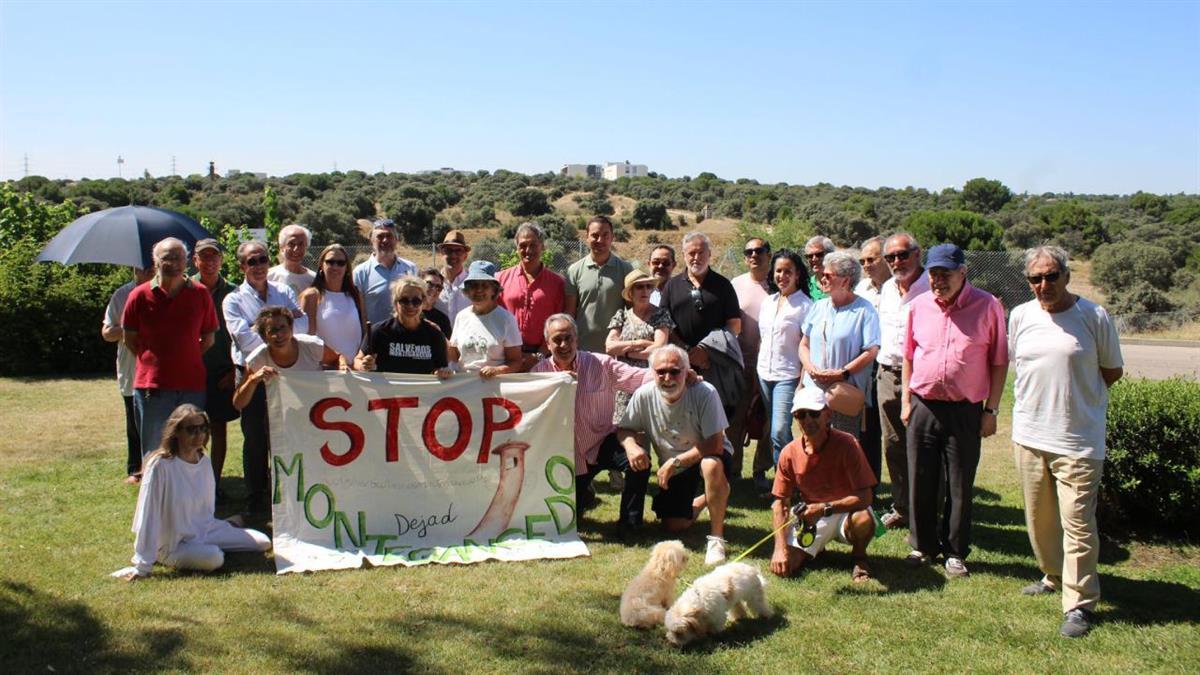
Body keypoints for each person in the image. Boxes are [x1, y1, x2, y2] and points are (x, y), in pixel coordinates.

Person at [1009, 245, 1124, 638]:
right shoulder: (1020, 316)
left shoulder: (1093, 316)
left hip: (1077, 439)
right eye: (1035, 279)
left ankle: (1079, 604)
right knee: (1040, 520)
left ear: (1066, 276)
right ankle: (1053, 576)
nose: (1044, 285)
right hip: (1029, 435)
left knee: (1077, 522)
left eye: (1051, 276)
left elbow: (1111, 371)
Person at [902, 243, 1008, 577]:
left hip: (965, 409)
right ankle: (922, 546)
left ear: (963, 273)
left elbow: (999, 361)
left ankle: (955, 551)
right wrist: (906, 401)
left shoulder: (988, 306)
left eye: (945, 274)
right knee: (920, 478)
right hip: (923, 404)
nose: (938, 281)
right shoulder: (918, 306)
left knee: (960, 483)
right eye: (933, 274)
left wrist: (991, 410)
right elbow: (908, 355)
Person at [531, 314, 655, 539]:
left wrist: (678, 372)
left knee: (640, 462)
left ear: (577, 339)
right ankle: (585, 495)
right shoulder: (538, 374)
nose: (564, 345)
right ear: (547, 344)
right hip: (565, 455)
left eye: (568, 338)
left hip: (601, 441)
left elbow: (640, 378)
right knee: (567, 521)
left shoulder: (601, 363)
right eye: (557, 340)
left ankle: (630, 524)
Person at [113, 404, 271, 580]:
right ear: (177, 432)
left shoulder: (203, 461)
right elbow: (149, 514)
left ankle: (223, 528)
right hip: (171, 543)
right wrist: (143, 565)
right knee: (214, 558)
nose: (199, 435)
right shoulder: (160, 465)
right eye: (191, 430)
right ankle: (162, 556)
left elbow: (204, 510)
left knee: (263, 542)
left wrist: (216, 528)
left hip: (205, 531)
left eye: (203, 428)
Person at [618, 345, 733, 566]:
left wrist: (676, 460)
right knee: (674, 526)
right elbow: (625, 429)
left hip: (710, 456)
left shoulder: (705, 392)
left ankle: (716, 538)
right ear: (652, 372)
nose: (668, 377)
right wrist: (632, 446)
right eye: (661, 372)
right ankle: (711, 497)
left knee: (710, 465)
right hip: (675, 468)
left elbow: (715, 444)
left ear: (687, 370)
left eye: (675, 371)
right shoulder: (644, 395)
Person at [222, 239, 303, 513]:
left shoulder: (283, 291)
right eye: (252, 261)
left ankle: (289, 493)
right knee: (255, 435)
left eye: (263, 259)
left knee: (287, 432)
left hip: (287, 370)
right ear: (242, 266)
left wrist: (276, 339)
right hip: (251, 371)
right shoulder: (233, 300)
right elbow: (242, 335)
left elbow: (301, 322)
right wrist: (277, 338)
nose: (258, 266)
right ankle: (257, 496)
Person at [121, 237, 217, 461]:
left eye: (179, 257)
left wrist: (187, 355)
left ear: (187, 261)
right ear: (156, 262)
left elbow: (209, 338)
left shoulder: (201, 294)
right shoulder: (139, 295)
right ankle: (155, 493)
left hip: (192, 384)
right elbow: (130, 339)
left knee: (192, 445)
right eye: (168, 258)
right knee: (155, 449)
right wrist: (154, 360)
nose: (174, 262)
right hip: (152, 386)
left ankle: (188, 494)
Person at [769, 388, 877, 581]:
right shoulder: (789, 452)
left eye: (814, 413)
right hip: (812, 516)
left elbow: (866, 497)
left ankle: (859, 558)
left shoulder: (848, 443)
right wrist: (779, 548)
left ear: (828, 414)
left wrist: (824, 508)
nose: (808, 420)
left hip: (845, 512)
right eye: (801, 415)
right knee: (786, 567)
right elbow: (779, 503)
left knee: (864, 518)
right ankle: (817, 547)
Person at [875, 232, 929, 530]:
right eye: (891, 257)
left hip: (921, 377)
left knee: (923, 446)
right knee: (893, 444)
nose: (897, 261)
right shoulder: (886, 288)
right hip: (887, 372)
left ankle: (926, 510)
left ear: (918, 253)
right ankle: (902, 506)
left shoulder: (931, 286)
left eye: (903, 255)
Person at [658, 232, 743, 419]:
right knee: (683, 418)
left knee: (715, 418)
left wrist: (707, 350)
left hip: (715, 365)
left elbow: (734, 325)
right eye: (691, 253)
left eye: (701, 252)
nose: (696, 257)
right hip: (681, 366)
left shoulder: (723, 285)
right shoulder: (672, 286)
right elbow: (664, 324)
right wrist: (687, 352)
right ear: (683, 254)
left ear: (710, 254)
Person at [799, 251, 880, 439]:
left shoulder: (865, 311)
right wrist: (811, 369)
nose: (822, 279)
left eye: (828, 275)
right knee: (812, 444)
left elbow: (871, 351)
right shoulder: (818, 307)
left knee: (842, 448)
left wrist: (843, 373)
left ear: (845, 281)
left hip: (844, 395)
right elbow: (804, 344)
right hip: (814, 393)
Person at [756, 249, 813, 489]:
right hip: (764, 374)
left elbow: (808, 346)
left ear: (798, 274)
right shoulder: (768, 302)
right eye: (778, 271)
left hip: (788, 377)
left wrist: (802, 382)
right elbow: (763, 339)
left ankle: (787, 484)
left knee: (780, 430)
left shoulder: (806, 306)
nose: (782, 275)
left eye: (787, 271)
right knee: (772, 429)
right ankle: (788, 478)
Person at [191, 239, 239, 495]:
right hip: (191, 371)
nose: (209, 262)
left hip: (222, 371)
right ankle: (195, 484)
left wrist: (234, 371)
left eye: (214, 257)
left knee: (218, 429)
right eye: (204, 257)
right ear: (195, 260)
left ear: (221, 260)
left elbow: (241, 336)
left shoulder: (233, 291)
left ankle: (214, 483)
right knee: (192, 430)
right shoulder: (185, 288)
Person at [233, 306, 346, 410]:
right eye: (272, 331)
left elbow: (338, 358)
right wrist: (252, 380)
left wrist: (343, 367)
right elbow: (238, 403)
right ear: (264, 337)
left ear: (291, 328)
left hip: (319, 407)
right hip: (284, 418)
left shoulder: (311, 345)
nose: (279, 335)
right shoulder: (258, 358)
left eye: (283, 327)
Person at [102, 265, 155, 484]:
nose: (148, 272)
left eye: (151, 267)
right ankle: (136, 469)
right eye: (143, 268)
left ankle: (158, 468)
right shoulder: (122, 295)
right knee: (134, 422)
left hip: (158, 368)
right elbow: (107, 332)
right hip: (131, 369)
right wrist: (129, 328)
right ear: (135, 269)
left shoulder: (166, 291)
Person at [605, 269, 674, 422]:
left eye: (649, 286)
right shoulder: (621, 315)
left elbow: (659, 349)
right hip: (624, 380)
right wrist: (640, 343)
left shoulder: (660, 314)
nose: (645, 291)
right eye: (639, 287)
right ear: (630, 292)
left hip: (651, 380)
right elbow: (609, 346)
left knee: (653, 427)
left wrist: (625, 351)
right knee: (625, 429)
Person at [730, 237, 772, 480]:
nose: (754, 255)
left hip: (772, 362)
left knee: (768, 420)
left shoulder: (777, 283)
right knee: (736, 417)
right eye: (749, 252)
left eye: (759, 250)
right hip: (742, 361)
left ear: (768, 254)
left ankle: (760, 470)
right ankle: (733, 469)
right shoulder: (736, 284)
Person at [497, 222, 566, 367]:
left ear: (542, 246)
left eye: (533, 245)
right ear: (516, 248)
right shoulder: (500, 279)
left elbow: (559, 321)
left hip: (544, 358)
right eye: (522, 245)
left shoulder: (557, 283)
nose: (528, 250)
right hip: (506, 357)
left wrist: (538, 356)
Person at [355, 276, 451, 376]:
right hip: (387, 391)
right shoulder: (379, 331)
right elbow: (358, 360)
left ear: (423, 303)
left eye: (416, 301)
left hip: (421, 391)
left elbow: (440, 367)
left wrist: (441, 372)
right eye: (404, 300)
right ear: (395, 303)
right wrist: (363, 365)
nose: (410, 306)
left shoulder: (434, 335)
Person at [565, 215, 634, 352]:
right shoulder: (574, 270)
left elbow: (633, 312)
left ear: (612, 237)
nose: (600, 240)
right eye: (595, 235)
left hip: (615, 350)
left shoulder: (626, 269)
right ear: (587, 237)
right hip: (582, 350)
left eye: (605, 235)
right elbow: (569, 314)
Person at [854, 236, 890, 493]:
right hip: (865, 368)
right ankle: (868, 486)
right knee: (866, 431)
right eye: (862, 260)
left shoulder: (901, 288)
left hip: (890, 368)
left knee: (891, 435)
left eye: (871, 259)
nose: (866, 265)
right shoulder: (862, 289)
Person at [447, 260, 523, 377]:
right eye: (474, 285)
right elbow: (454, 354)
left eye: (485, 285)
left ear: (494, 290)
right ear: (467, 290)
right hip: (463, 386)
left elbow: (516, 362)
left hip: (493, 386)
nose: (479, 290)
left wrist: (497, 370)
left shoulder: (506, 319)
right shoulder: (461, 317)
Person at [298, 244, 366, 363]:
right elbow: (309, 340)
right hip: (325, 371)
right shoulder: (311, 296)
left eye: (340, 263)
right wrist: (336, 360)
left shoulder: (355, 294)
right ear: (321, 265)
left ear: (346, 268)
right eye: (330, 262)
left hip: (356, 370)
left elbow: (365, 331)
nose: (335, 266)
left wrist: (360, 361)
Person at [352, 219, 418, 325]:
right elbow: (358, 312)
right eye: (380, 236)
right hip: (375, 338)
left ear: (396, 240)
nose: (385, 240)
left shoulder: (410, 268)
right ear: (372, 240)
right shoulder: (360, 273)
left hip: (405, 337)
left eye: (389, 236)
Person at [267, 224, 316, 295]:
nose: (296, 249)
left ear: (306, 248)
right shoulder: (269, 277)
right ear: (282, 247)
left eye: (301, 244)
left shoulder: (313, 280)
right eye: (291, 244)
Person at [434, 229, 472, 322]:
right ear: (441, 254)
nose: (453, 255)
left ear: (465, 256)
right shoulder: (433, 284)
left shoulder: (473, 284)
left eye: (458, 251)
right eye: (448, 250)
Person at [419, 268, 453, 337]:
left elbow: (448, 346)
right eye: (429, 284)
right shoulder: (409, 312)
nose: (434, 289)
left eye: (438, 287)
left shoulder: (443, 320)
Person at [803, 236, 836, 300]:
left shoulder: (841, 284)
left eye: (819, 255)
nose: (814, 259)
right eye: (810, 256)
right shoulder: (806, 286)